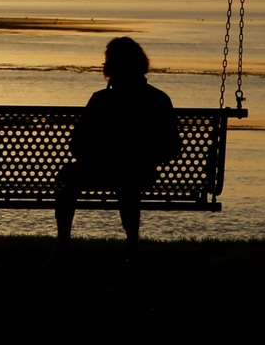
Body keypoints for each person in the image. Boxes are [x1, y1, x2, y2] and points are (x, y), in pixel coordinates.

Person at [54, 36, 181, 256]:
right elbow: (172, 146)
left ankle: (63, 243)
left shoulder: (101, 99)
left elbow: (77, 144)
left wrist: (95, 159)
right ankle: (132, 243)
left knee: (67, 177)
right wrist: (147, 158)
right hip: (141, 171)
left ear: (111, 66)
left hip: (100, 170)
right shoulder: (158, 99)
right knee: (128, 180)